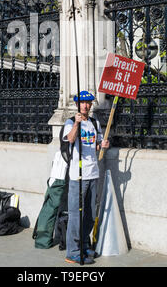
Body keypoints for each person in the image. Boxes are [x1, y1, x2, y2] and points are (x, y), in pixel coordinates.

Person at [63, 90, 109, 265]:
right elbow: (70, 139)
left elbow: (96, 145)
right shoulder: (70, 123)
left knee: (89, 214)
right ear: (77, 105)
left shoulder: (94, 123)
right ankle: (72, 251)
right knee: (76, 215)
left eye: (88, 102)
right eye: (82, 102)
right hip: (77, 176)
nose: (86, 105)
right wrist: (76, 123)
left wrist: (102, 144)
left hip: (93, 173)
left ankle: (84, 245)